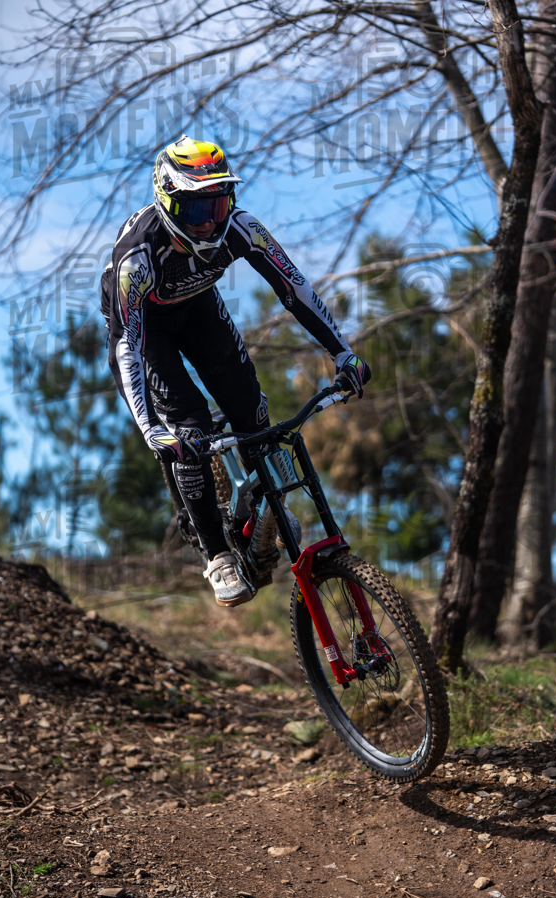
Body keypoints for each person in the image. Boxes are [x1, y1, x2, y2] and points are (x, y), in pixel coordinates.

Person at [101, 134, 370, 607]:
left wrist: (343, 352)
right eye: (197, 212)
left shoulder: (244, 228)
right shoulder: (137, 261)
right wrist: (150, 429)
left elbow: (295, 289)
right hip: (146, 328)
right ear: (167, 204)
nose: (210, 225)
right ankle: (218, 554)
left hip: (198, 306)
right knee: (190, 425)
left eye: (220, 206)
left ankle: (268, 508)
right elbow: (127, 347)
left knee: (252, 411)